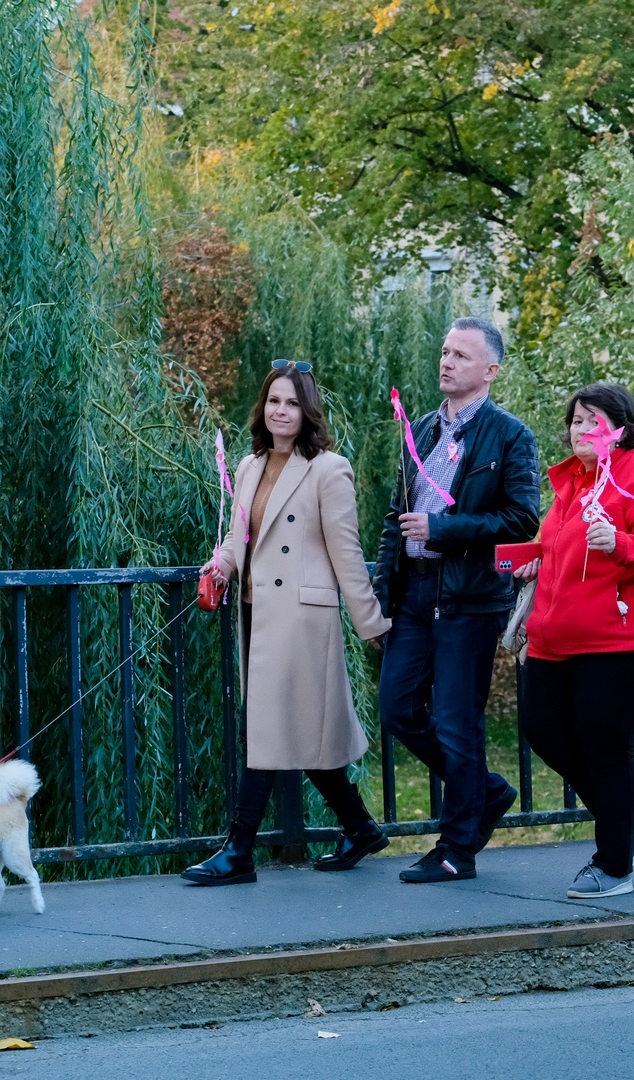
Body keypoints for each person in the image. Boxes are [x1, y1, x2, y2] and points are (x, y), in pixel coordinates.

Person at [182, 361, 392, 886]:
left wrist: (371, 622)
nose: (281, 411)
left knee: (269, 730)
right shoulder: (249, 466)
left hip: (302, 620)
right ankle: (361, 827)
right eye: (274, 401)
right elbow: (239, 539)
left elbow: (347, 552)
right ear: (263, 408)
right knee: (298, 734)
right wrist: (220, 565)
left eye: (293, 403)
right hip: (256, 613)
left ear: (307, 411)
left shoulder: (328, 469)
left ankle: (238, 851)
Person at [372, 318, 542, 883]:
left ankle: (456, 849)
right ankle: (485, 792)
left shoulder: (510, 435)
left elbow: (521, 520)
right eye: (445, 351)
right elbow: (395, 516)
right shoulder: (420, 428)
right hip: (415, 593)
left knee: (456, 722)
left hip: (469, 597)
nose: (446, 362)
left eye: (461, 356)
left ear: (490, 370)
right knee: (397, 708)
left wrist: (442, 529)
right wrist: (383, 594)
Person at [515, 383, 634, 898]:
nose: (582, 430)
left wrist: (622, 544)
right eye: (576, 421)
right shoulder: (571, 481)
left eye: (594, 421)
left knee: (603, 742)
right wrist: (535, 558)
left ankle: (614, 866)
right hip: (558, 636)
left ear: (621, 428)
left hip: (629, 638)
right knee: (543, 731)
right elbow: (563, 547)